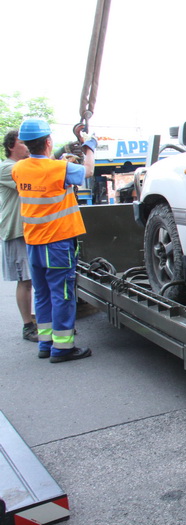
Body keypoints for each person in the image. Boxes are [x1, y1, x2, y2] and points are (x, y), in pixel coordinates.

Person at [11, 118, 96, 363]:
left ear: (26, 144)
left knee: (43, 294)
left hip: (34, 243)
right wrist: (89, 147)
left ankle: (46, 343)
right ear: (48, 142)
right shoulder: (59, 169)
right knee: (62, 294)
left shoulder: (18, 169)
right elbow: (88, 171)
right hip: (57, 242)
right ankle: (63, 348)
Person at [0, 130, 36, 342]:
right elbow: (35, 172)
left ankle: (40, 320)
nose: (27, 146)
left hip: (33, 230)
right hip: (16, 230)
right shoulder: (6, 168)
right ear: (11, 146)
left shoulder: (26, 166)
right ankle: (27, 326)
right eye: (23, 142)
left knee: (37, 278)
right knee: (25, 280)